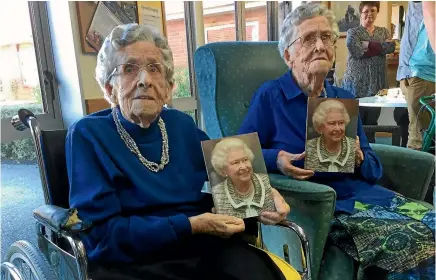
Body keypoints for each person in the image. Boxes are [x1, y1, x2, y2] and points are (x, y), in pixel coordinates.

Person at [66, 23, 291, 280]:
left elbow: (228, 172)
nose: (145, 80)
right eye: (129, 69)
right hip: (131, 258)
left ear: (169, 87)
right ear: (109, 88)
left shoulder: (181, 125)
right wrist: (190, 225)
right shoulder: (87, 135)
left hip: (201, 245)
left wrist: (263, 194)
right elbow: (101, 236)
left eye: (154, 69)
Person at [239, 3, 435, 279]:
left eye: (327, 37)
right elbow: (238, 152)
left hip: (365, 196)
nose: (320, 45)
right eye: (308, 38)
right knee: (413, 242)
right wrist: (277, 160)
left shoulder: (341, 97)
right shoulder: (271, 96)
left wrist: (360, 157)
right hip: (324, 207)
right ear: (288, 55)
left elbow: (374, 168)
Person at [341, 1, 396, 143]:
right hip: (356, 82)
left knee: (372, 121)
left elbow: (390, 48)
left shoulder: (384, 31)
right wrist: (380, 47)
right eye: (366, 11)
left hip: (377, 82)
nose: (369, 14)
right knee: (355, 122)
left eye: (373, 10)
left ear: (377, 12)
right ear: (361, 13)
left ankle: (371, 151)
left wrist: (367, 45)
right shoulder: (352, 32)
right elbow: (357, 51)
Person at [397, 1, 435, 150]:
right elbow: (431, 14)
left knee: (426, 137)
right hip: (420, 70)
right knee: (420, 140)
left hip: (426, 71)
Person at [210, 137, 276, 219]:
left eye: (245, 160)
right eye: (236, 162)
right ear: (224, 171)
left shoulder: (265, 181)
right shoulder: (218, 193)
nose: (244, 166)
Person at [305, 99, 356, 173]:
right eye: (332, 123)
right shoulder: (309, 147)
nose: (338, 128)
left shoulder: (354, 147)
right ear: (320, 126)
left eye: (341, 123)